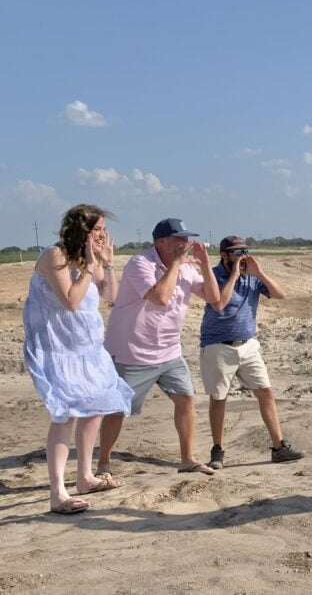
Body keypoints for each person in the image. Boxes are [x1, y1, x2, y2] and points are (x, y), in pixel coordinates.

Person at [23, 205, 135, 514]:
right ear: (82, 230)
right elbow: (71, 300)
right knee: (66, 415)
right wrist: (88, 262)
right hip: (57, 350)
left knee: (94, 409)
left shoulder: (91, 259)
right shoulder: (54, 256)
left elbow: (111, 296)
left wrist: (107, 264)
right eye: (98, 229)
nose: (103, 234)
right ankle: (58, 493)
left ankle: (85, 477)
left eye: (103, 229)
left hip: (88, 348)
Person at [99, 218, 220, 475]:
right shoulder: (140, 263)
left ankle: (188, 459)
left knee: (186, 398)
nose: (185, 244)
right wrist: (176, 263)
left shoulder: (186, 268)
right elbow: (160, 298)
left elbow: (214, 298)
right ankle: (103, 463)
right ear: (161, 241)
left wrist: (206, 265)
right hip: (132, 352)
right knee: (118, 408)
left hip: (169, 350)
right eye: (180, 239)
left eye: (187, 239)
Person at [200, 236, 304, 469]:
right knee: (218, 399)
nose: (242, 257)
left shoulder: (252, 278)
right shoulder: (213, 275)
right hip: (218, 345)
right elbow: (220, 303)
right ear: (224, 255)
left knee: (265, 392)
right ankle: (217, 450)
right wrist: (235, 275)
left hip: (247, 345)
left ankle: (279, 447)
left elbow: (280, 294)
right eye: (236, 252)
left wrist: (260, 274)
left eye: (244, 251)